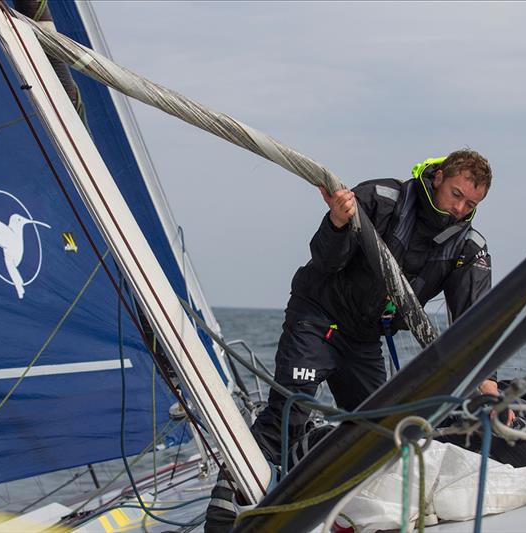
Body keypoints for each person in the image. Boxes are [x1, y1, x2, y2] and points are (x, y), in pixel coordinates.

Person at [205, 149, 502, 531]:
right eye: (457, 194)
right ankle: (222, 514)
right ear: (439, 177)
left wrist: (488, 381)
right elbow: (324, 259)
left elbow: (475, 317)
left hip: (364, 339)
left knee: (377, 431)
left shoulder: (466, 247)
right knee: (289, 413)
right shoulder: (381, 199)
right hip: (319, 319)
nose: (460, 208)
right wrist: (337, 222)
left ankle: (317, 483)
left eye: (471, 203)